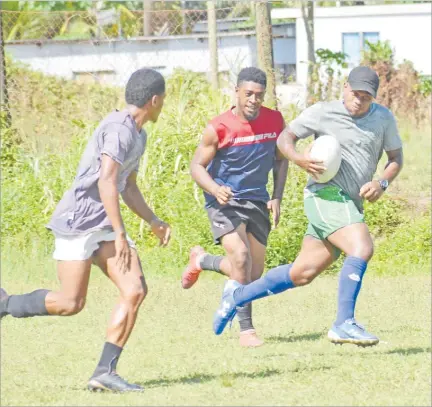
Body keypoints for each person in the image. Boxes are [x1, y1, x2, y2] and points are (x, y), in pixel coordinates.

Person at [0, 68, 172, 392]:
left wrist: (152, 220)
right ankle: (5, 304)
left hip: (105, 224)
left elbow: (127, 185)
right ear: (154, 100)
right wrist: (121, 234)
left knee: (134, 289)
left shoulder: (140, 135)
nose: (163, 104)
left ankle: (105, 372)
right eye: (163, 99)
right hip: (79, 221)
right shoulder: (118, 130)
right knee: (70, 303)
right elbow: (106, 180)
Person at [212, 65, 404, 347]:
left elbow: (396, 157)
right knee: (361, 247)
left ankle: (238, 295)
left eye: (367, 96)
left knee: (302, 273)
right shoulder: (323, 112)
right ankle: (343, 323)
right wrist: (299, 159)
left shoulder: (383, 119)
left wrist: (382, 183)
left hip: (350, 202)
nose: (359, 100)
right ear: (345, 88)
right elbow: (285, 139)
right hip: (324, 195)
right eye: (356, 93)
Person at [182, 67, 288, 347]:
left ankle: (202, 261)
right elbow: (196, 166)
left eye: (259, 95)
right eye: (249, 94)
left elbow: (281, 159)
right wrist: (215, 189)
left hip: (257, 200)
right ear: (237, 92)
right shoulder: (218, 127)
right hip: (224, 200)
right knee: (241, 258)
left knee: (252, 275)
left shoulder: (275, 121)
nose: (254, 100)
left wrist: (277, 196)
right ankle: (246, 331)